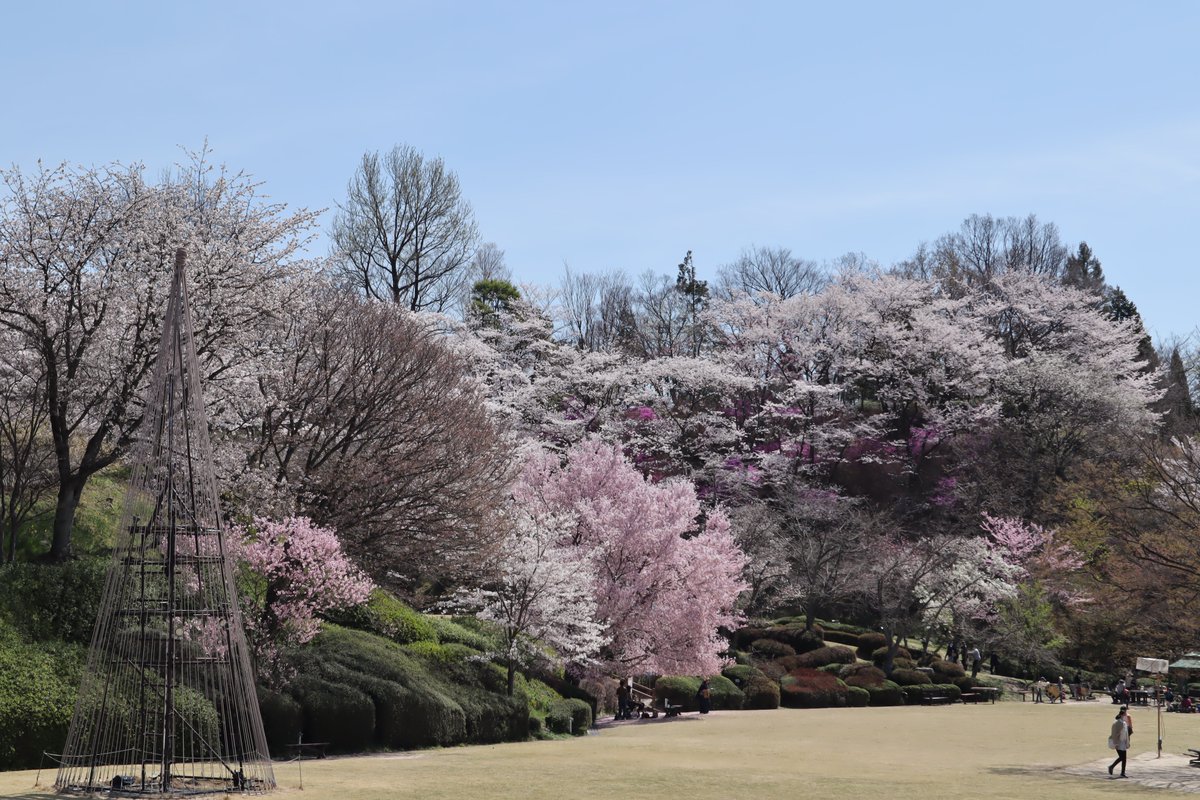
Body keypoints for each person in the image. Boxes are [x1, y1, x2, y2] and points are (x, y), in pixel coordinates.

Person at [1108, 707, 1130, 778]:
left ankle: (1122, 773)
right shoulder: (1116, 723)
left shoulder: (1124, 723)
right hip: (1118, 742)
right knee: (1121, 757)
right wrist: (1116, 743)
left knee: (1124, 758)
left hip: (1123, 742)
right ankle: (1111, 766)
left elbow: (1126, 733)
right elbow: (1114, 734)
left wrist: (1127, 742)